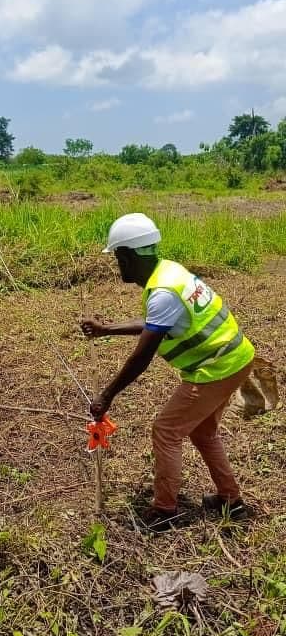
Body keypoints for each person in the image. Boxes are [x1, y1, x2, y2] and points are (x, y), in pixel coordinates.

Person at [81, 213, 255, 531]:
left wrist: (107, 395)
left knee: (166, 430)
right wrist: (107, 328)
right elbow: (155, 324)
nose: (117, 264)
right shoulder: (169, 271)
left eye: (118, 257)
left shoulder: (163, 291)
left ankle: (165, 511)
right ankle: (232, 500)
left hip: (216, 367)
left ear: (129, 256)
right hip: (235, 357)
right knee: (202, 432)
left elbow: (142, 355)